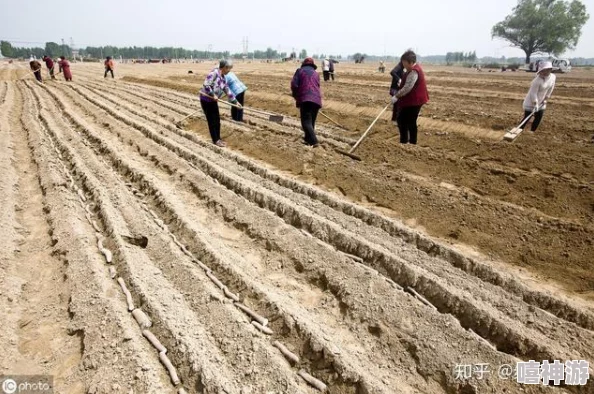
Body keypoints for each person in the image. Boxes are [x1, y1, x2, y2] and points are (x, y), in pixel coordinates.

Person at [199, 59, 241, 147]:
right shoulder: (214, 73)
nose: (229, 71)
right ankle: (215, 140)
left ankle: (218, 138)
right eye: (228, 69)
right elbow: (206, 85)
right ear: (224, 68)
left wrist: (235, 102)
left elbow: (227, 90)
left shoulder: (223, 77)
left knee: (217, 120)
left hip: (213, 100)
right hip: (206, 100)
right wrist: (213, 94)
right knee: (212, 120)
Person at [391, 50, 429, 144]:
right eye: (402, 63)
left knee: (406, 121)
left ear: (411, 62)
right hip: (412, 100)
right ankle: (407, 142)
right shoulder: (410, 70)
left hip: (415, 101)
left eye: (405, 63)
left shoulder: (414, 72)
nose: (403, 65)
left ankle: (409, 143)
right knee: (404, 120)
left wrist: (396, 95)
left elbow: (408, 87)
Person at [291, 57, 322, 147]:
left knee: (306, 122)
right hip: (317, 99)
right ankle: (307, 139)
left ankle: (314, 142)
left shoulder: (300, 71)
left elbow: (294, 84)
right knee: (311, 122)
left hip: (306, 98)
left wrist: (295, 94)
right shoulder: (316, 73)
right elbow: (317, 85)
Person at [521, 61, 556, 132]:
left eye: (545, 70)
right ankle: (519, 129)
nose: (543, 73)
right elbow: (533, 93)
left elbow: (551, 88)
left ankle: (532, 132)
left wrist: (546, 98)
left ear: (550, 70)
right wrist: (535, 104)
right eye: (542, 71)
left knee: (538, 117)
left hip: (542, 101)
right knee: (527, 118)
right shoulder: (536, 81)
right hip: (531, 102)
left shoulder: (553, 77)